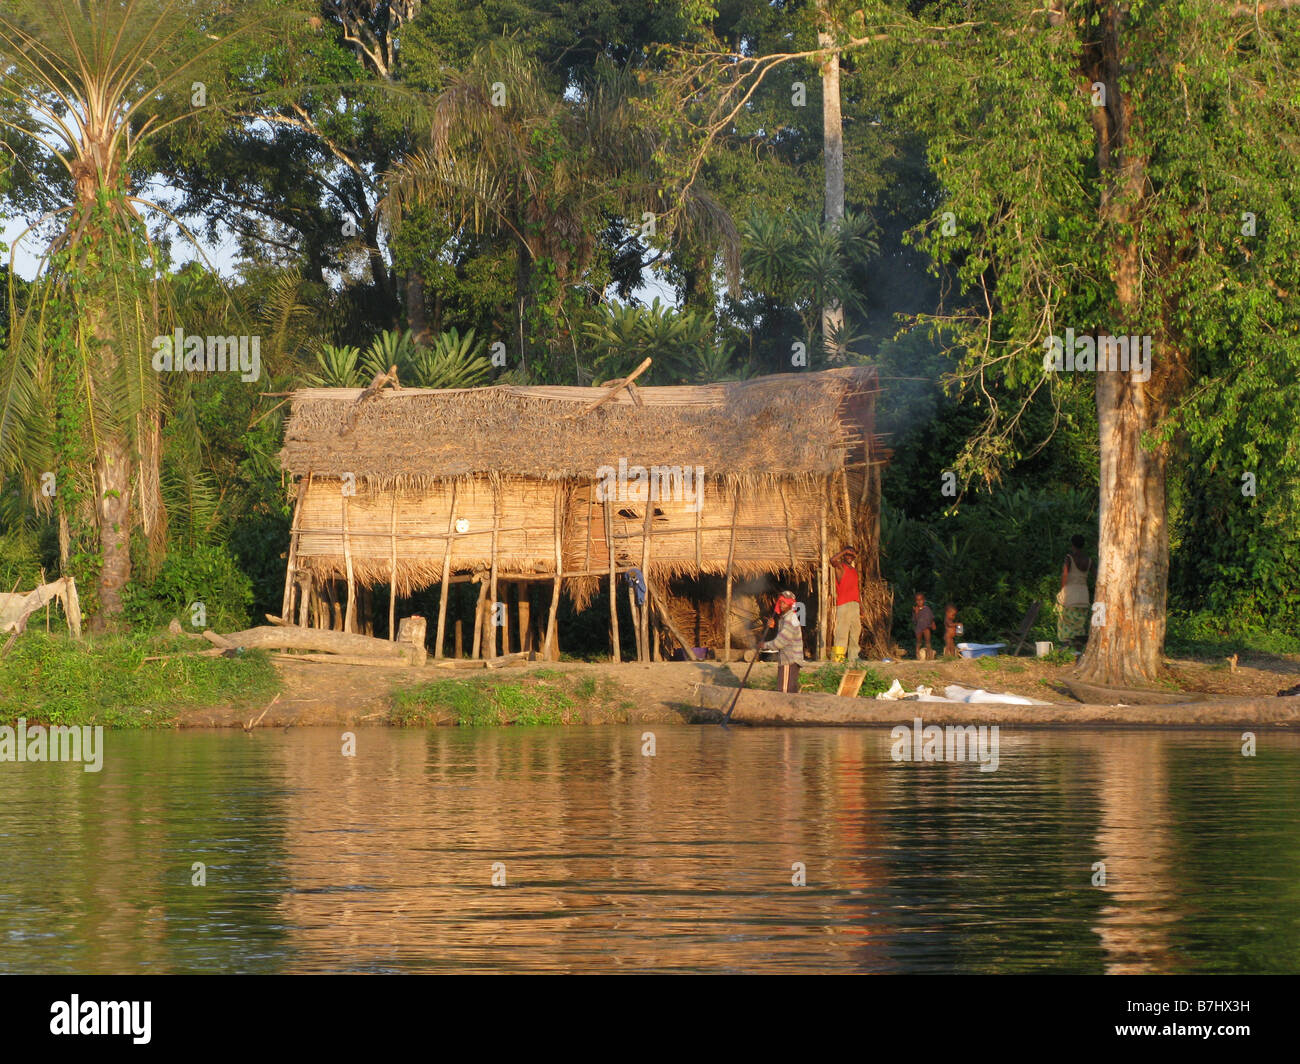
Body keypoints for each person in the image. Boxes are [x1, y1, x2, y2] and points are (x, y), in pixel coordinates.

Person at [762, 590, 804, 693]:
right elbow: (781, 637)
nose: (781, 605)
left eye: (784, 603)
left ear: (790, 605)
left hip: (789, 660)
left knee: (784, 693)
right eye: (780, 602)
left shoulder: (790, 619)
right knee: (789, 692)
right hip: (787, 660)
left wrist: (764, 645)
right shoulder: (784, 619)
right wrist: (772, 628)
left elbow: (780, 642)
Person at [1057, 534, 1092, 650]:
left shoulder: (1069, 558)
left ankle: (1066, 646)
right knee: (1080, 624)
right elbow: (1096, 575)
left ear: (1072, 545)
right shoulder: (1088, 560)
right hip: (1083, 595)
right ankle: (1078, 648)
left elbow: (1065, 575)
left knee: (1065, 621)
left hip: (1070, 594)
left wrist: (1062, 590)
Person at [830, 546, 862, 662]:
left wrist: (860, 606)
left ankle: (854, 657)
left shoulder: (853, 571)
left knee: (856, 631)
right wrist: (844, 551)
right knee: (841, 632)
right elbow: (832, 560)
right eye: (848, 555)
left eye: (852, 555)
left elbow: (856, 589)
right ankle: (838, 658)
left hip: (855, 604)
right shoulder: (840, 567)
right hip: (843, 604)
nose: (850, 557)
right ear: (844, 555)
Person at [912, 592, 935, 658]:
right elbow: (915, 621)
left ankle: (929, 655)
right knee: (919, 642)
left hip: (926, 628)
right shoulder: (915, 610)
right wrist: (916, 612)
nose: (919, 602)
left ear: (924, 600)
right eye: (917, 600)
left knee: (928, 642)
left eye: (921, 600)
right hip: (918, 628)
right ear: (915, 601)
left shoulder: (927, 609)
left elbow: (931, 617)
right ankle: (917, 654)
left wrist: (933, 624)